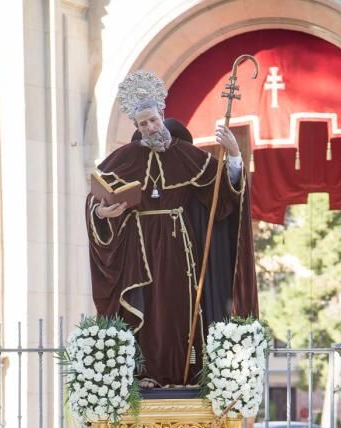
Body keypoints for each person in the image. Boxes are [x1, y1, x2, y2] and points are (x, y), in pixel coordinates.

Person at [86, 71, 258, 386]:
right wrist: (101, 211)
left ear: (162, 116)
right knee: (145, 309)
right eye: (142, 124)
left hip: (180, 249)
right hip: (138, 250)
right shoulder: (123, 159)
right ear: (136, 127)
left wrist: (234, 154)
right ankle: (142, 374)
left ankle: (185, 373)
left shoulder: (185, 154)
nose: (150, 128)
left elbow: (222, 193)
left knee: (179, 307)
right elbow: (96, 196)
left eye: (153, 120)